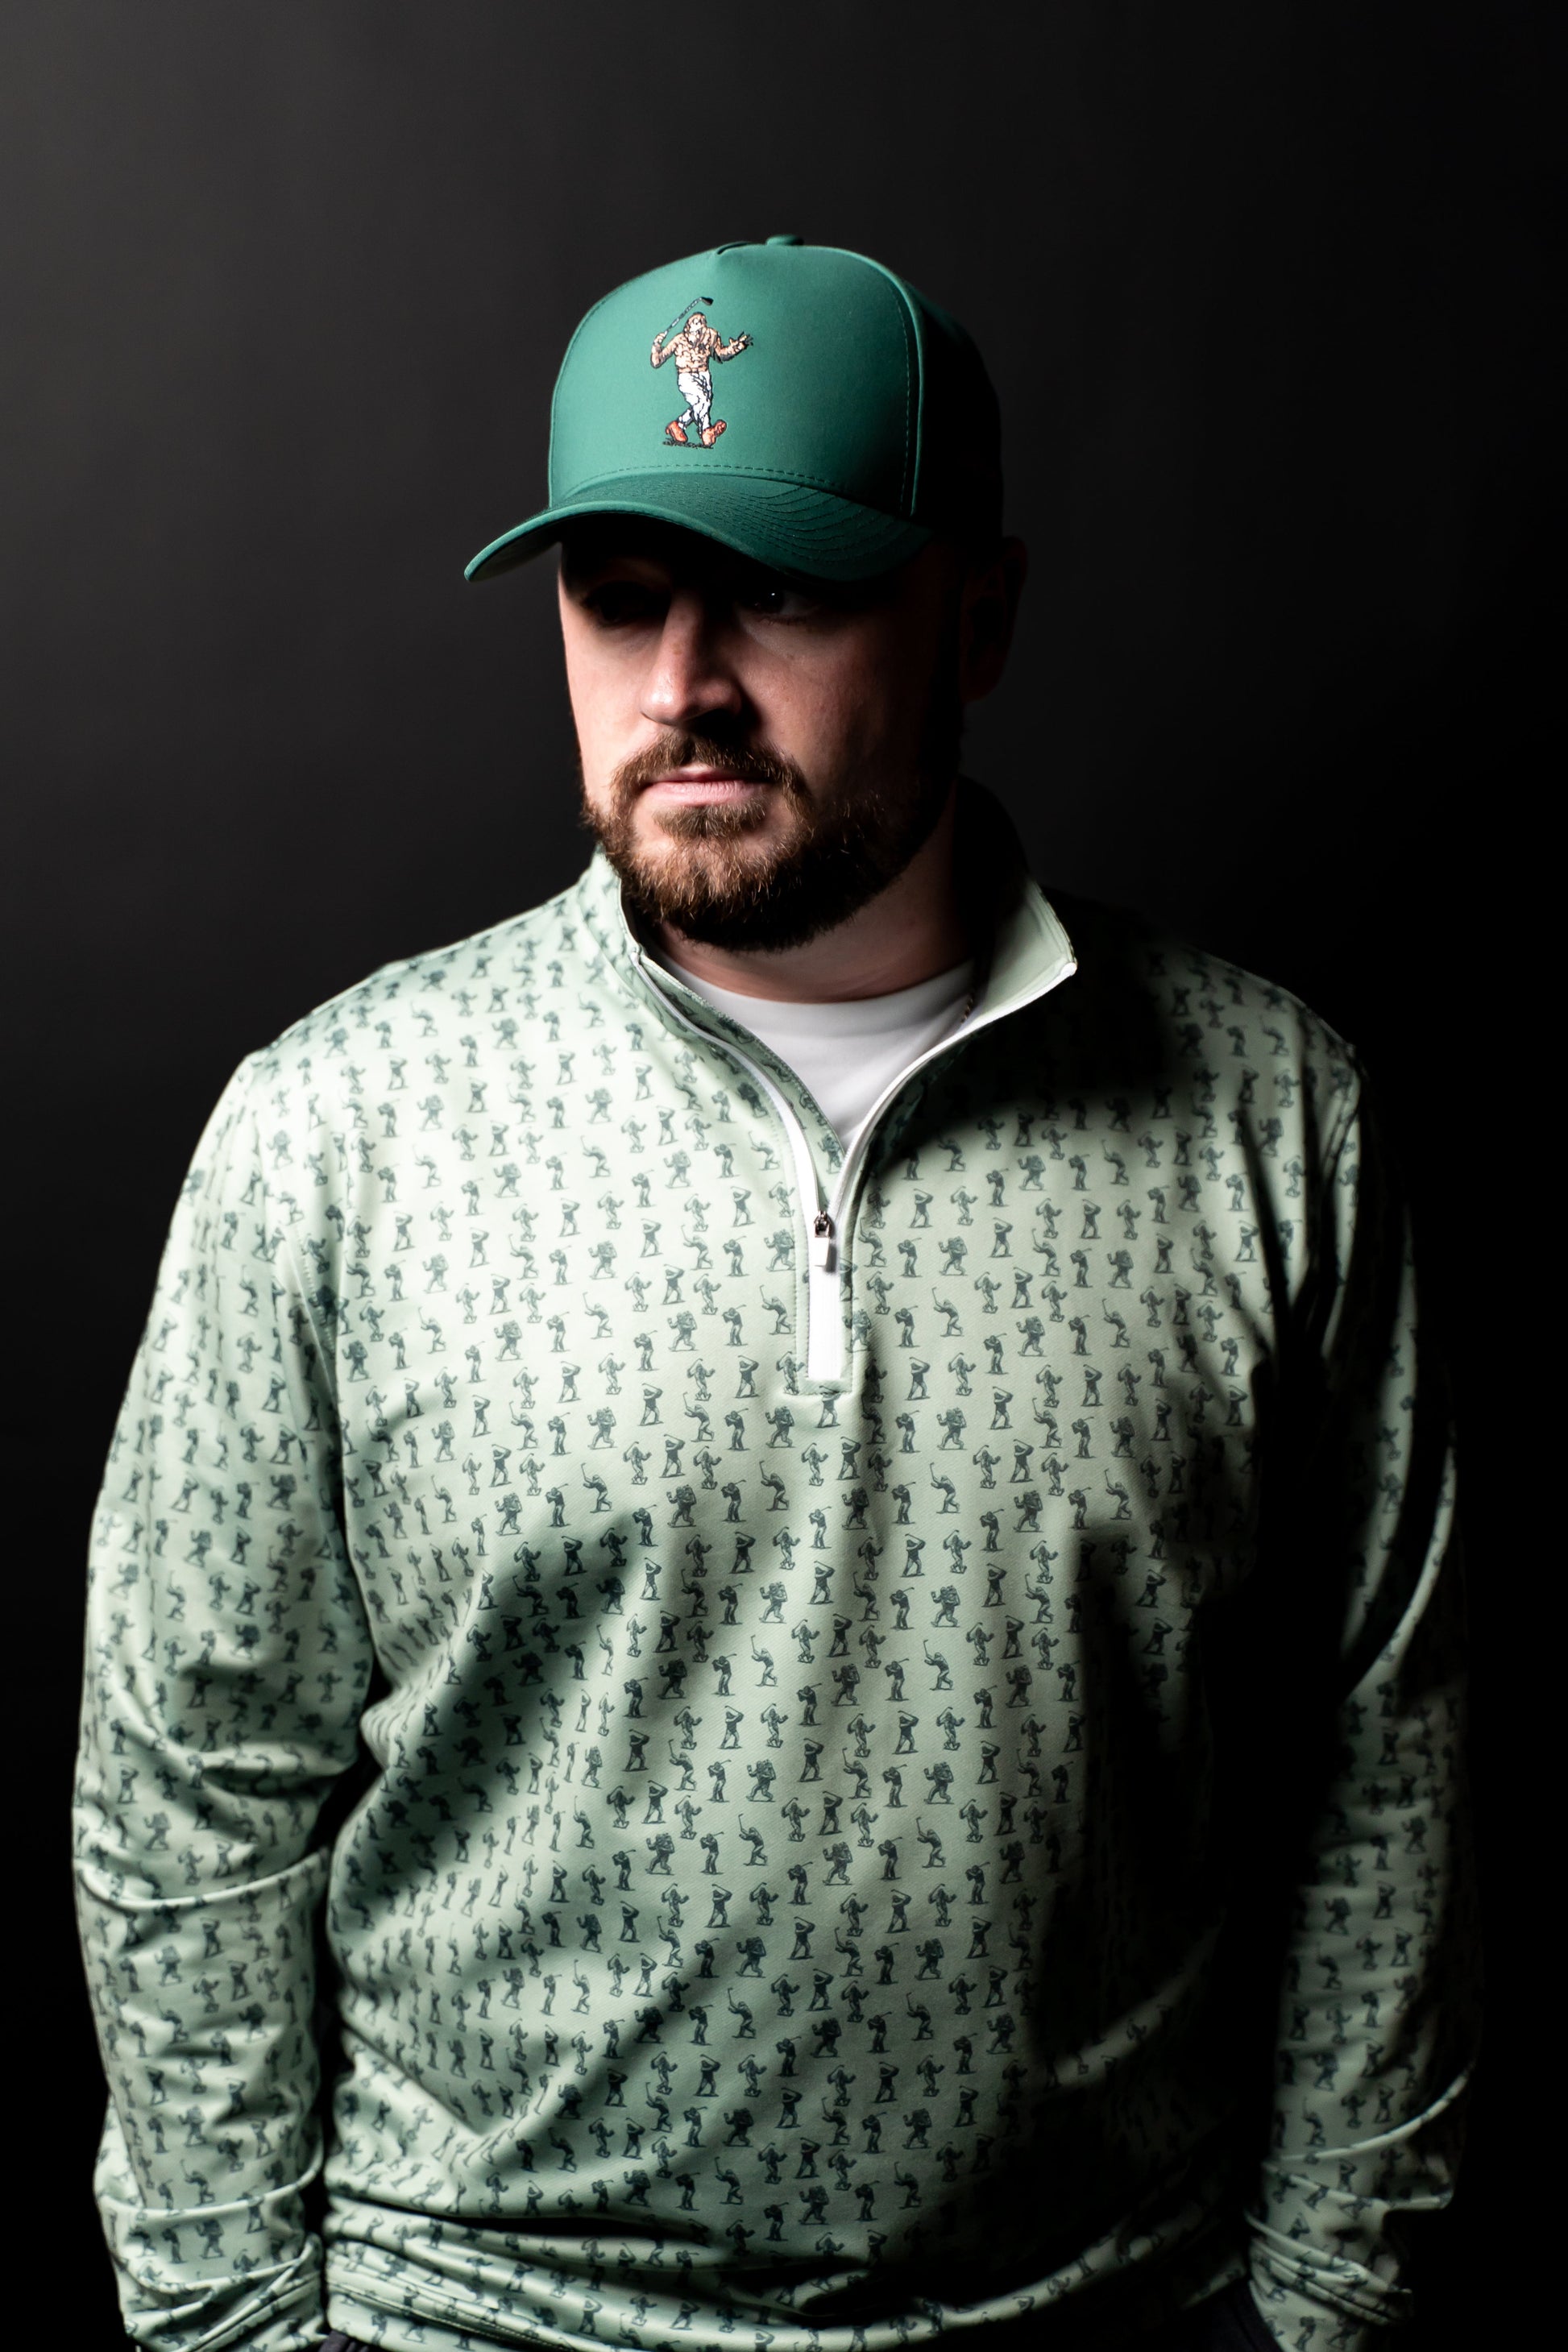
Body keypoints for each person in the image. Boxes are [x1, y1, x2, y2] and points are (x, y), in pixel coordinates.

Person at [74, 236, 1475, 2352]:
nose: (684, 685)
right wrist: (235, 2330)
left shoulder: (1272, 1119)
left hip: (1102, 2311)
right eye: (618, 595)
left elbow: (1385, 1763)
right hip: (480, 2317)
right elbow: (192, 1776)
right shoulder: (340, 1128)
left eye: (785, 591)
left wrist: (1330, 2308)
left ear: (976, 617)